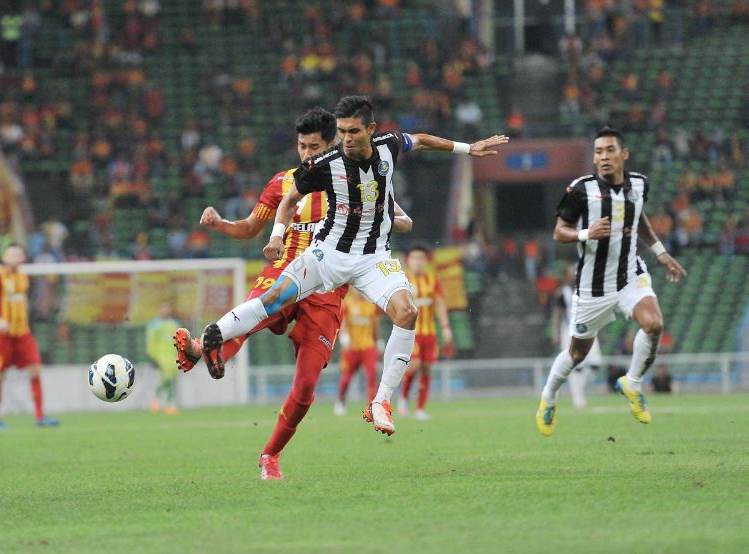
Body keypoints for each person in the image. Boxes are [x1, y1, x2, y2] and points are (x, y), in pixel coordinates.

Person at [189, 95, 507, 438]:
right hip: (328, 255)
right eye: (341, 132)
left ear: (371, 129)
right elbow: (288, 201)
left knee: (407, 311)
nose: (347, 139)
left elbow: (424, 139)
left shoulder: (389, 145)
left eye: (353, 131)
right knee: (275, 297)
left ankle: (381, 403)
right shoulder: (323, 164)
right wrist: (278, 236)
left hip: (373, 259)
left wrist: (467, 148)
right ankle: (216, 334)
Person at [173, 107, 412, 480]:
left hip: (328, 291)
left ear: (332, 143)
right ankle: (203, 350)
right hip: (287, 272)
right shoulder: (285, 182)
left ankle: (270, 455)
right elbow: (251, 227)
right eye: (302, 146)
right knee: (255, 310)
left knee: (304, 390)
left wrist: (388, 219)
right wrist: (221, 224)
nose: (306, 154)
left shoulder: (350, 173)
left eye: (314, 146)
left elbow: (399, 215)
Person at [536, 127, 687, 436]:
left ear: (623, 154)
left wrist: (659, 251)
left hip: (630, 275)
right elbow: (559, 231)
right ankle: (548, 397)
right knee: (577, 355)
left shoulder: (639, 185)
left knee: (654, 324)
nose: (603, 157)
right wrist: (585, 234)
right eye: (598, 152)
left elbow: (638, 218)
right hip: (592, 288)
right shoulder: (580, 190)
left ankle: (632, 384)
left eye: (609, 150)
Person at [0, 243, 59, 430]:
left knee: (36, 369)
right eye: (11, 254)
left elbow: (21, 303)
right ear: (4, 257)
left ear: (22, 258)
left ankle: (39, 416)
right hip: (2, 335)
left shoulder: (23, 276)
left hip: (23, 333)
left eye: (18, 254)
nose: (15, 257)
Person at [398, 244, 453, 420]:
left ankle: (420, 409)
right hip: (410, 333)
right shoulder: (402, 279)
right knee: (414, 365)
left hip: (429, 332)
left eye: (421, 258)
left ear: (426, 261)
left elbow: (439, 304)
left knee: (427, 369)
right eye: (415, 258)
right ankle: (403, 397)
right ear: (408, 261)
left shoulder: (432, 279)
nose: (418, 262)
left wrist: (445, 328)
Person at [551, 264, 603, 409]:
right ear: (565, 276)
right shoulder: (562, 293)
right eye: (571, 272)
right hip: (569, 332)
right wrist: (555, 333)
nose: (574, 274)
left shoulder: (586, 290)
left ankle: (579, 392)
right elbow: (557, 314)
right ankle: (578, 398)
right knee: (573, 366)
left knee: (595, 363)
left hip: (588, 331)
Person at [335, 287, 381, 416]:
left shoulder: (371, 305)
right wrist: (344, 337)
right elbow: (342, 323)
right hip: (352, 347)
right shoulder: (347, 303)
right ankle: (341, 400)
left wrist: (379, 341)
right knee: (346, 377)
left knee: (372, 374)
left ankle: (371, 406)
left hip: (368, 346)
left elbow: (375, 326)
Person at [146, 303, 182, 415]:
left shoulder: (174, 324)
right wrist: (153, 357)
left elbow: (180, 341)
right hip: (161, 357)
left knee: (171, 381)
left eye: (167, 309)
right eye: (163, 309)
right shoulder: (154, 325)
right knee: (168, 379)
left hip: (173, 357)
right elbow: (151, 342)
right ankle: (163, 403)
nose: (166, 311)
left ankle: (163, 403)